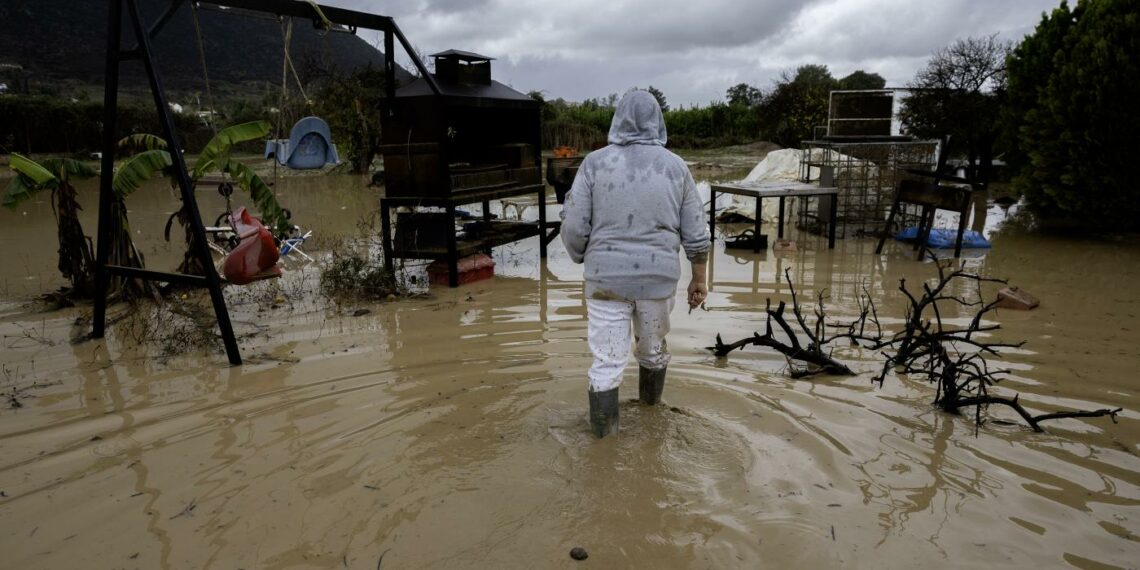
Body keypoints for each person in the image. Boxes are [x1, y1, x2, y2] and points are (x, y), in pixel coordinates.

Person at [560, 89, 710, 438]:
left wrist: (582, 256)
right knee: (653, 350)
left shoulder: (594, 164)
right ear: (658, 122)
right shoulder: (677, 168)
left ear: (617, 120)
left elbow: (574, 226)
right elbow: (696, 233)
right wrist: (699, 279)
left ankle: (604, 446)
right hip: (658, 281)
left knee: (607, 363)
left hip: (605, 282)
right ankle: (651, 415)